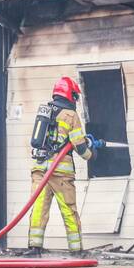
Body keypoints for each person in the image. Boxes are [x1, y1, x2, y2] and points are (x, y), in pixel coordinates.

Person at [27, 76, 103, 254]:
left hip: (40, 169)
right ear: (69, 94)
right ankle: (76, 250)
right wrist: (93, 154)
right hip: (60, 173)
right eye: (75, 96)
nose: (75, 100)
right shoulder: (70, 115)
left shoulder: (45, 111)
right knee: (69, 209)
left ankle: (34, 247)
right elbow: (80, 147)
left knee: (38, 208)